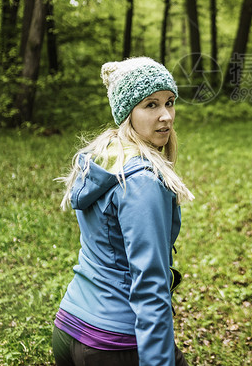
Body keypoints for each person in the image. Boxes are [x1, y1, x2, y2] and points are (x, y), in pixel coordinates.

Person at [52, 57, 193, 366]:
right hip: (113, 343)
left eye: (170, 102)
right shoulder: (143, 182)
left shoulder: (103, 159)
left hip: (69, 327)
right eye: (151, 105)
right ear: (127, 112)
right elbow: (149, 285)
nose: (166, 116)